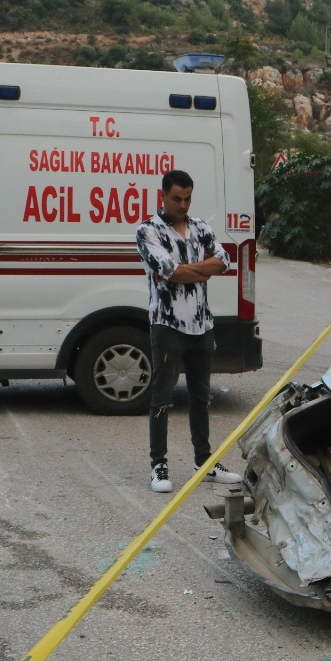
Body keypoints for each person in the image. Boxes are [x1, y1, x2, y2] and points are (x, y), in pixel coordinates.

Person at [136, 169, 241, 492]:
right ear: (163, 197)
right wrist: (196, 271)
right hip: (167, 325)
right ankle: (159, 466)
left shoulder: (201, 228)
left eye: (187, 198)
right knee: (162, 398)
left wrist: (185, 271)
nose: (182, 205)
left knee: (200, 397)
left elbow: (223, 261)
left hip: (201, 325)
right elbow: (169, 271)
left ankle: (204, 461)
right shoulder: (147, 231)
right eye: (176, 199)